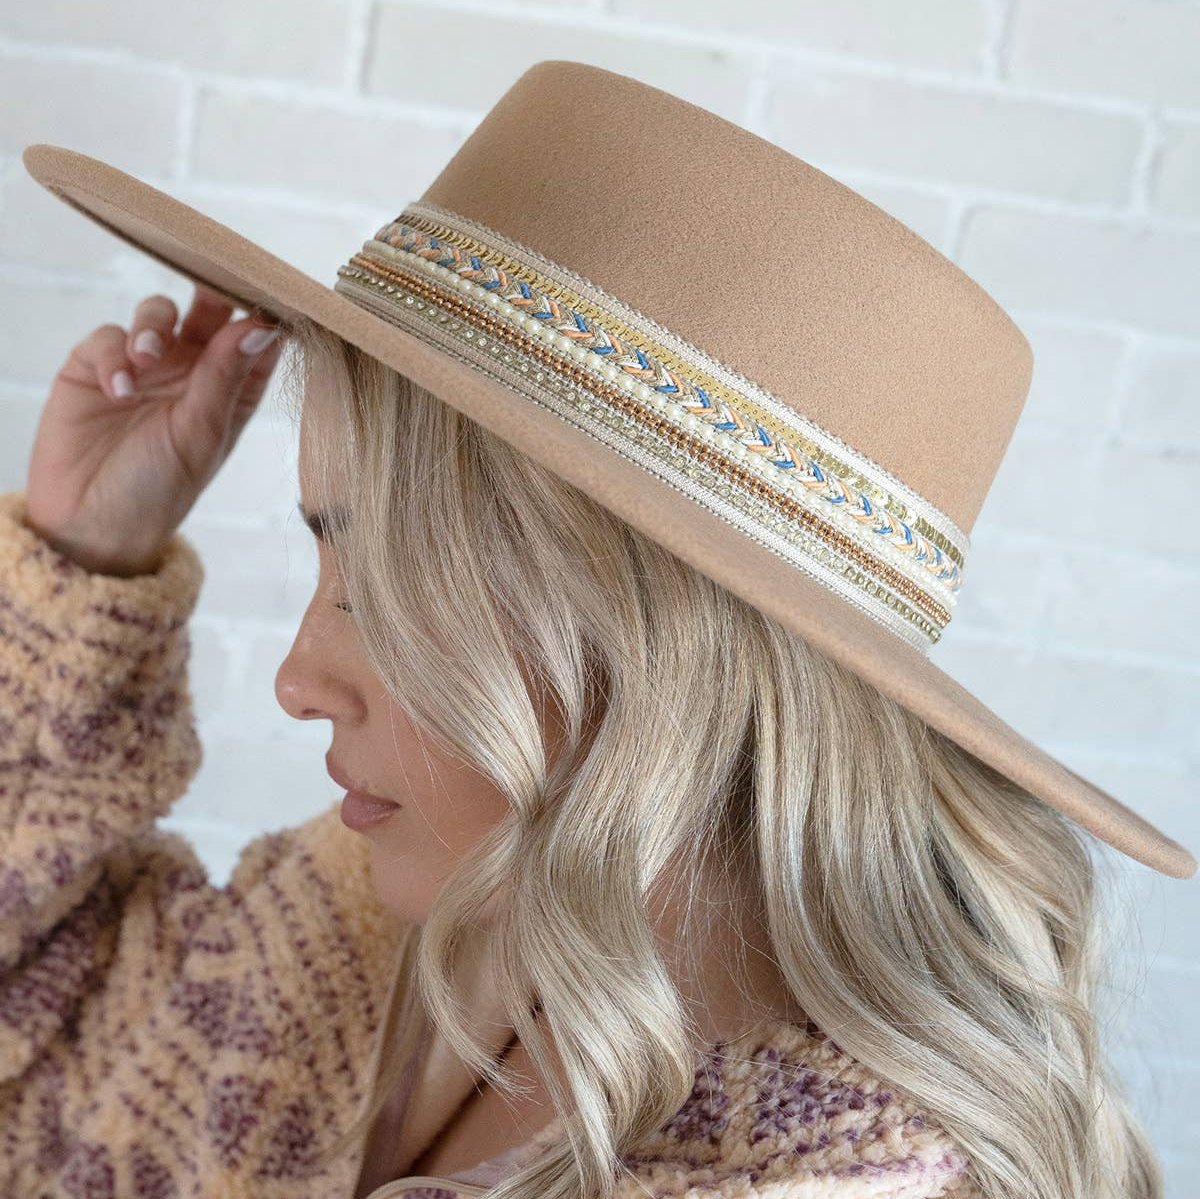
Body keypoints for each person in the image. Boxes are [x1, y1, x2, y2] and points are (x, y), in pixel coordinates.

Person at [6, 58, 1190, 1199]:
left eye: (380, 587)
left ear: (650, 644)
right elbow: (64, 1053)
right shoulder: (395, 918)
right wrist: (79, 560)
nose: (296, 681)